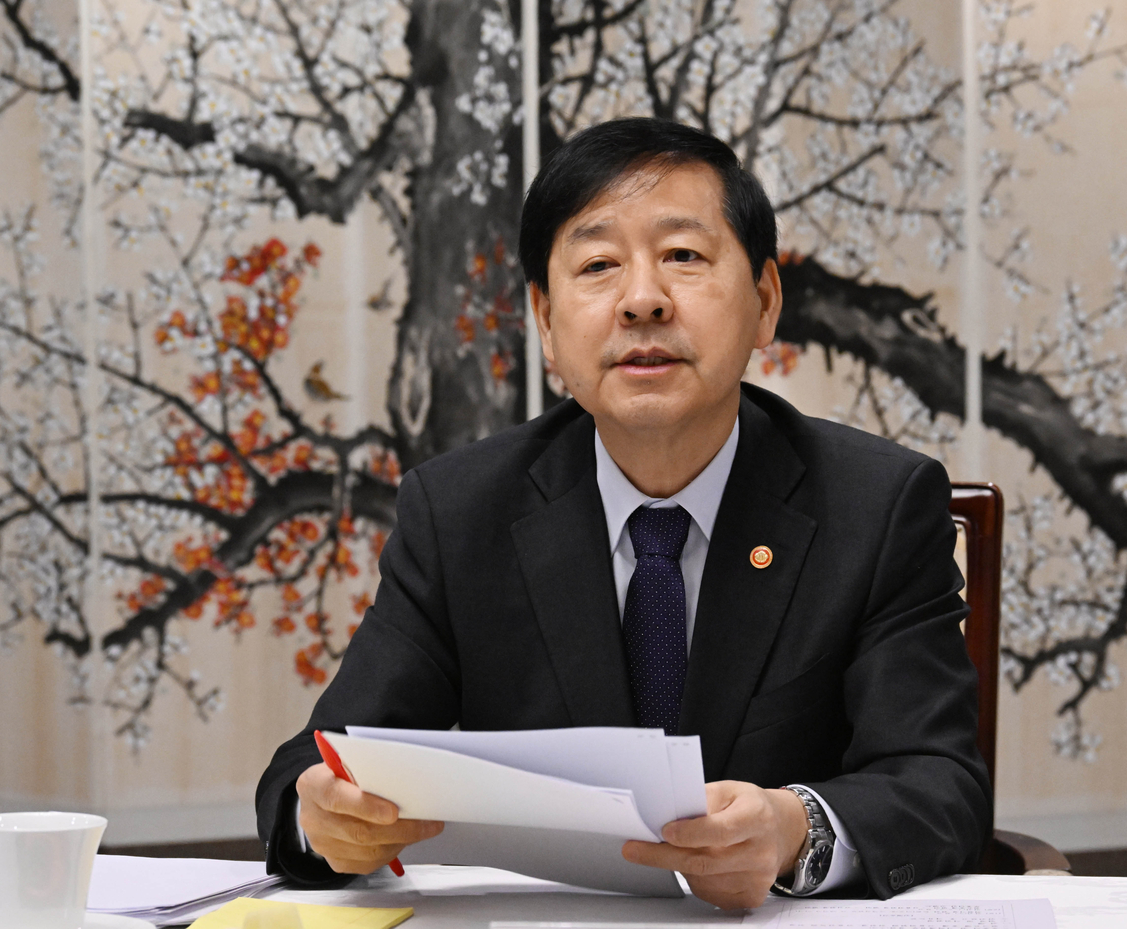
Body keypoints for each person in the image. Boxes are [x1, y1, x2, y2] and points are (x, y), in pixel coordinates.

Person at [256, 117, 992, 907]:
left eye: (683, 256)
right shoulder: (459, 512)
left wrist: (793, 828)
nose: (643, 300)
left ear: (765, 301)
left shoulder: (875, 505)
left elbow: (940, 779)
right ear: (545, 320)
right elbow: (319, 761)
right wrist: (322, 816)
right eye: (599, 265)